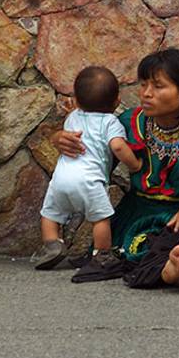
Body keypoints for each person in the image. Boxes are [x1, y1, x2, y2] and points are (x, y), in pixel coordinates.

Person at [54, 49, 179, 292]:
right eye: (143, 85)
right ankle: (178, 268)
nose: (146, 94)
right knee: (146, 245)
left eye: (158, 86)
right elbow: (93, 151)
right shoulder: (128, 124)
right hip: (140, 214)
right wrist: (59, 138)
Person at [37, 66, 142, 271]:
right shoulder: (110, 122)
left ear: (76, 101)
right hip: (89, 180)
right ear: (117, 101)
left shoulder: (72, 117)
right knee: (100, 219)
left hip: (60, 179)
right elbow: (118, 146)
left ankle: (52, 245)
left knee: (50, 214)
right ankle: (102, 254)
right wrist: (135, 165)